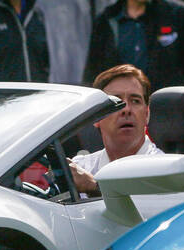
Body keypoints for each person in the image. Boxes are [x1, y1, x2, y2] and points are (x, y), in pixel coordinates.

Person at [68, 64, 162, 196]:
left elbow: (144, 207)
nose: (126, 109)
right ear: (96, 117)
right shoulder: (81, 167)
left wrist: (95, 187)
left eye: (135, 101)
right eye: (116, 102)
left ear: (147, 114)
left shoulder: (166, 169)